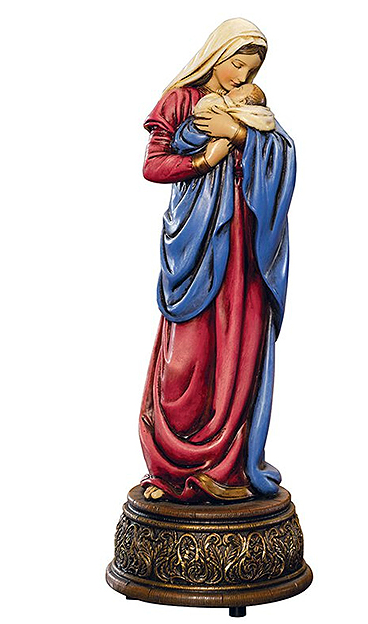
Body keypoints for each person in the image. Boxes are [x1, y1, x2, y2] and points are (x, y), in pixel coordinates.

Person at [138, 18, 296, 503]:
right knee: (186, 359)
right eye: (236, 66)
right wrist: (204, 160)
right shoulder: (180, 100)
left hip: (243, 248)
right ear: (216, 55)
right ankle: (170, 468)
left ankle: (227, 468)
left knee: (237, 348)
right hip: (196, 245)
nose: (241, 78)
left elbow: (283, 154)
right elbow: (152, 165)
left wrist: (241, 134)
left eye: (250, 71)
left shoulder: (251, 106)